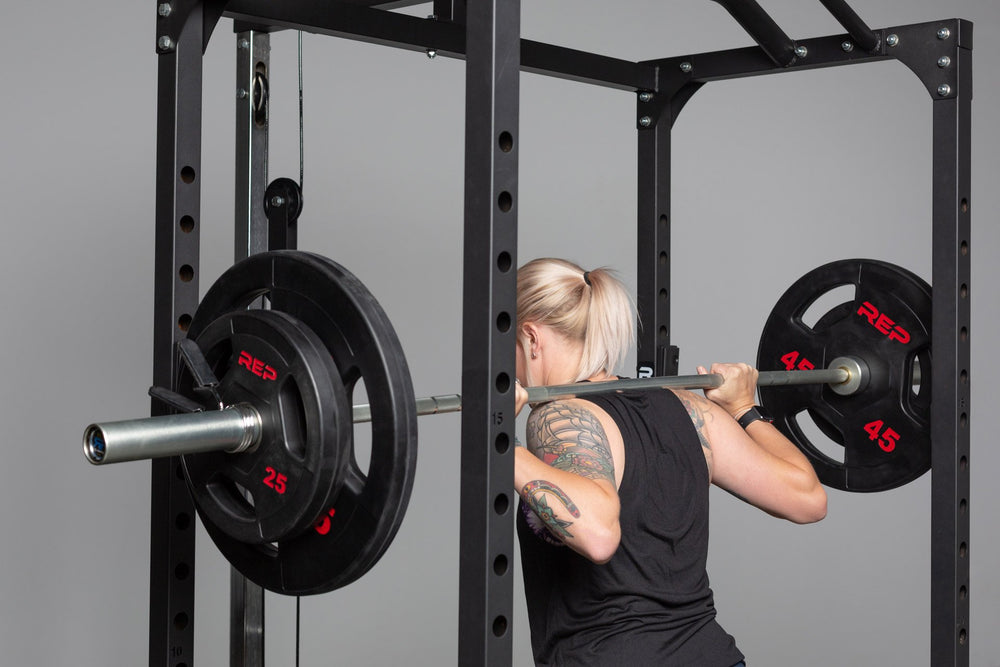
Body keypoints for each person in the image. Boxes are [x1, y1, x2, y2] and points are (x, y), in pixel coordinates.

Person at [512, 258, 827, 667]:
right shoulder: (690, 408)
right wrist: (745, 408)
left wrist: (500, 442)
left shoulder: (557, 417)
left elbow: (598, 534)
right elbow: (806, 496)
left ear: (531, 338)